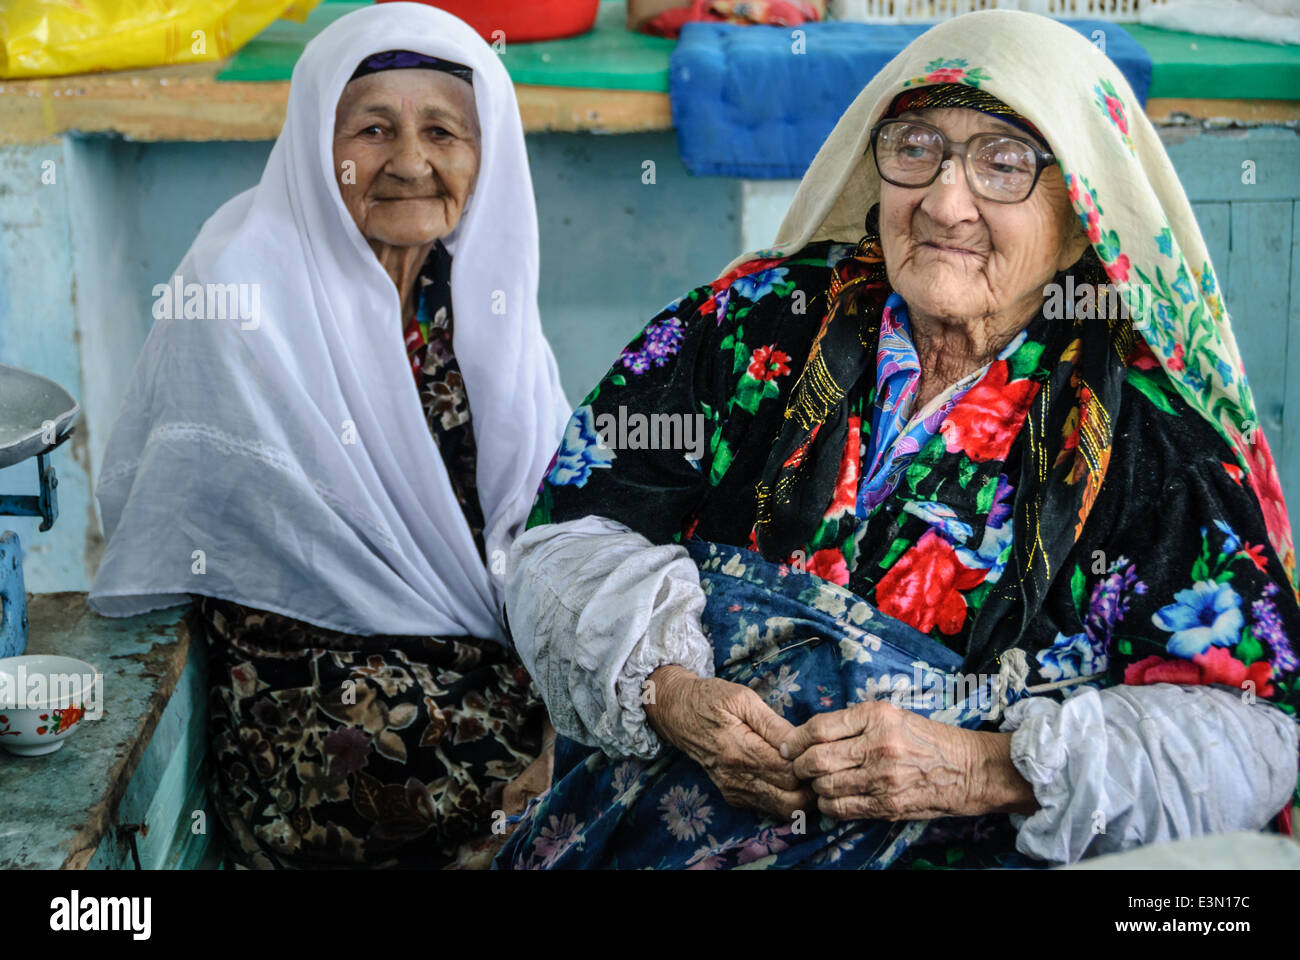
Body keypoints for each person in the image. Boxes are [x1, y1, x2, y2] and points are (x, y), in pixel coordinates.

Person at [497, 9, 1300, 869]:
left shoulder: (1155, 444)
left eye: (1004, 164)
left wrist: (983, 769)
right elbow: (564, 542)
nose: (946, 202)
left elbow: (1253, 739)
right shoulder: (747, 324)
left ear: (1081, 216)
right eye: (917, 148)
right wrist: (668, 692)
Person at [88, 3, 571, 869]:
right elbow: (240, 535)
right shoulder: (242, 283)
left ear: (484, 152)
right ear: (320, 144)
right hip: (315, 679)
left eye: (444, 133)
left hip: (483, 659)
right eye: (374, 130)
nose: (412, 163)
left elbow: (542, 509)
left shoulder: (479, 296)